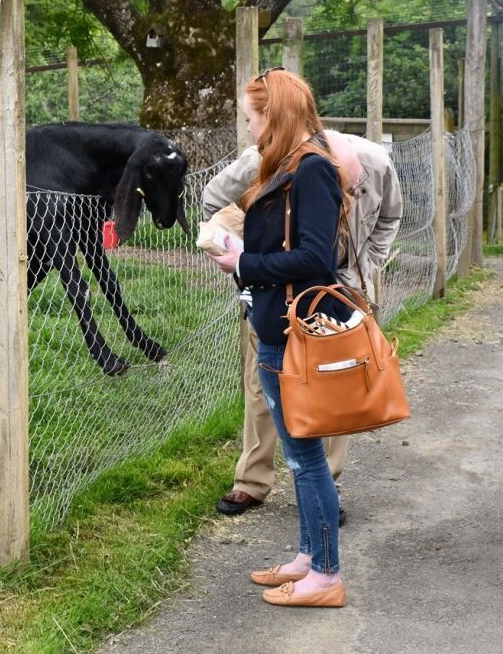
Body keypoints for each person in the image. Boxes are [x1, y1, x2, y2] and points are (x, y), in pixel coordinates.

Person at [203, 130, 402, 519]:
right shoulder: (266, 155)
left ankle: (326, 486)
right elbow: (212, 198)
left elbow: (390, 217)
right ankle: (252, 481)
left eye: (345, 189)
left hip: (343, 291)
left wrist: (367, 267)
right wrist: (241, 251)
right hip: (275, 287)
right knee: (263, 383)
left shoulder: (376, 162)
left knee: (335, 387)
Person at [208, 67, 351, 608]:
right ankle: (309, 558)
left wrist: (244, 260)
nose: (247, 129)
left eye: (250, 118)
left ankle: (327, 578)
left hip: (294, 333)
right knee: (299, 455)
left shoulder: (312, 169)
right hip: (274, 325)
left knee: (306, 458)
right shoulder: (288, 165)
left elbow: (318, 258)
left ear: (274, 115)